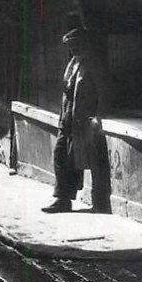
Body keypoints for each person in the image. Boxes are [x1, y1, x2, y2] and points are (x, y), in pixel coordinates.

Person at [42, 23, 100, 214]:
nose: (73, 49)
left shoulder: (90, 64)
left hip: (81, 121)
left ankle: (67, 199)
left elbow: (96, 93)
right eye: (70, 46)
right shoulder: (73, 64)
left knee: (74, 161)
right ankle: (62, 198)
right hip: (66, 120)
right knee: (60, 157)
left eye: (76, 45)